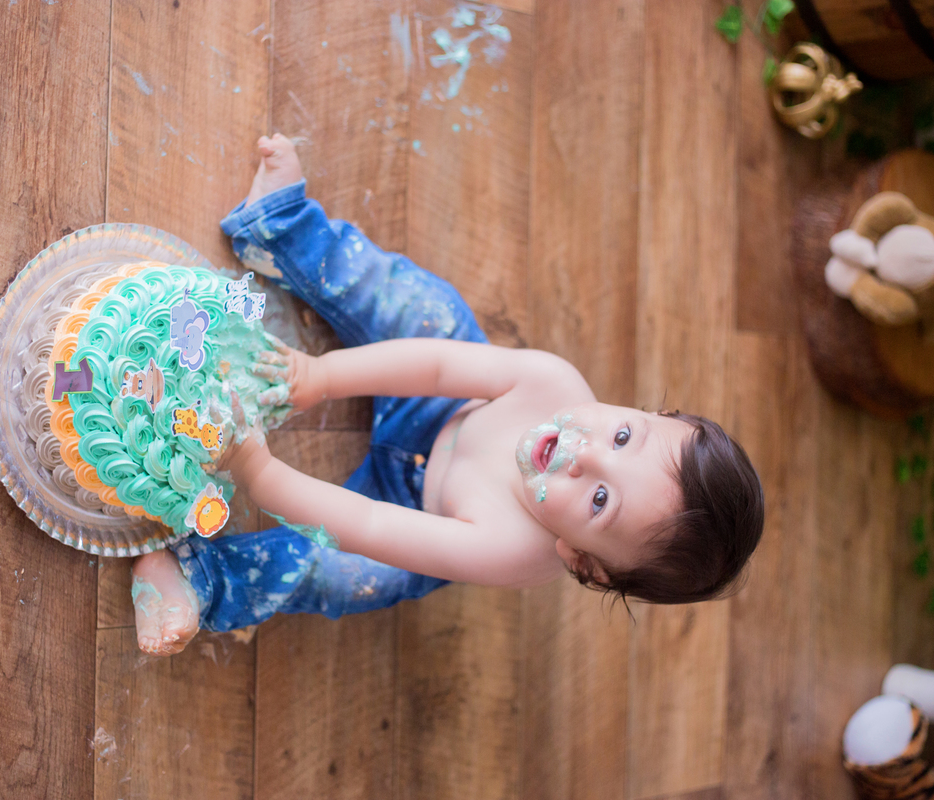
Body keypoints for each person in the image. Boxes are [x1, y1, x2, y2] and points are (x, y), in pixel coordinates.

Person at [130, 134, 764, 656]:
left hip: (407, 505)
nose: (586, 454)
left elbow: (370, 525)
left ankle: (200, 580)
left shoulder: (514, 553)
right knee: (420, 308)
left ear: (582, 562)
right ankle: (282, 227)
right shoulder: (554, 384)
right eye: (623, 436)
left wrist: (257, 471)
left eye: (600, 499)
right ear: (645, 412)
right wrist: (321, 377)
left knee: (342, 575)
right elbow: (435, 368)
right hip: (436, 405)